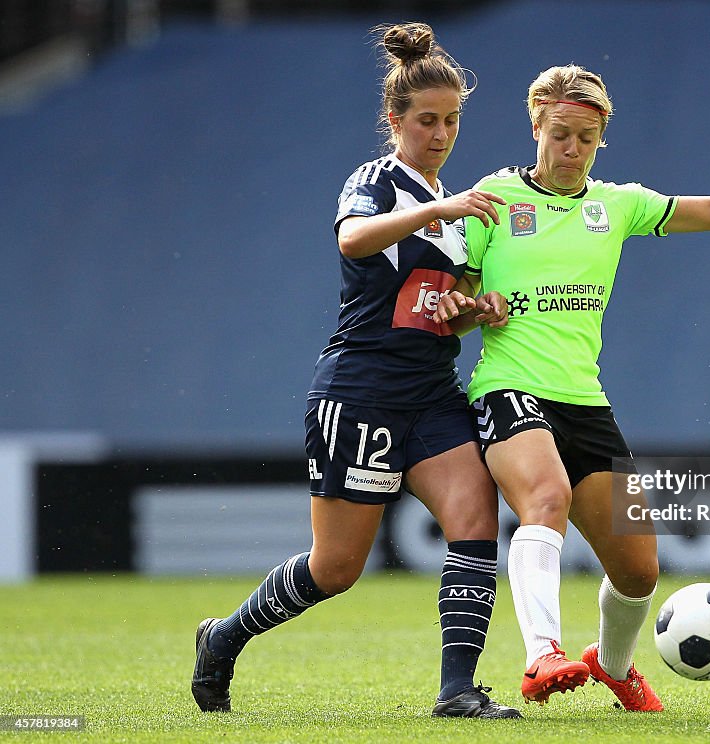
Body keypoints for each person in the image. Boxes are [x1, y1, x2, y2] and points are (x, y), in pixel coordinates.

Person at [433, 64, 710, 712]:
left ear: (601, 140)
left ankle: (613, 665)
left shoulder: (615, 205)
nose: (571, 151)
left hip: (585, 401)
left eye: (586, 140)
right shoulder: (492, 200)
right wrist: (471, 309)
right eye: (561, 134)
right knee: (547, 496)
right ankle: (543, 652)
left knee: (639, 571)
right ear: (535, 123)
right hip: (508, 387)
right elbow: (446, 310)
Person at [191, 22, 520, 719]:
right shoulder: (379, 183)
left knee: (475, 516)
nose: (441, 133)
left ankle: (457, 690)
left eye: (452, 120)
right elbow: (352, 237)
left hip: (431, 392)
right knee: (336, 568)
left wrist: (474, 310)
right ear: (394, 119)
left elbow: (436, 309)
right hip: (360, 391)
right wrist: (434, 207)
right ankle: (222, 639)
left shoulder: (458, 214)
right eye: (427, 120)